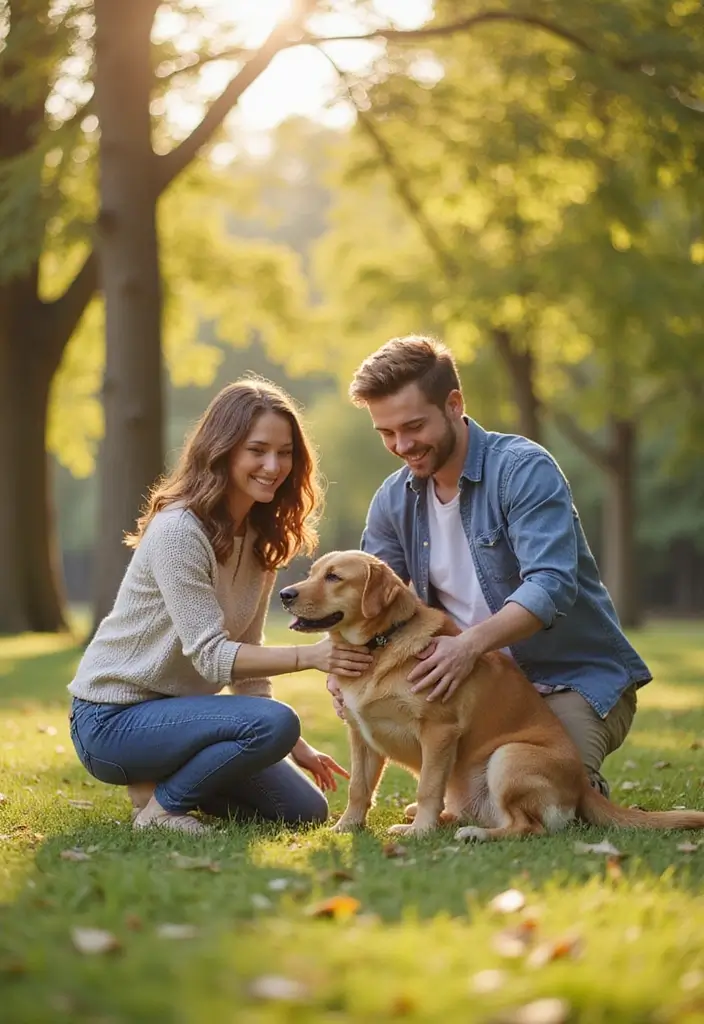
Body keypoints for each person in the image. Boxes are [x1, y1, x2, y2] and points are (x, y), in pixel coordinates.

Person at [327, 336, 651, 796]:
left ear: (454, 404)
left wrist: (468, 648)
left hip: (567, 683)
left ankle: (578, 788)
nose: (402, 445)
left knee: (549, 783)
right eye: (387, 433)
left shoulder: (523, 470)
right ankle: (460, 799)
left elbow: (552, 584)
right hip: (474, 694)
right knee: (473, 797)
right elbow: (372, 603)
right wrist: (343, 667)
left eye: (414, 426)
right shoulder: (392, 500)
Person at [68, 378, 373, 834]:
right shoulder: (178, 532)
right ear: (223, 449)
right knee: (276, 722)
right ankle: (160, 811)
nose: (273, 466)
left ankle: (162, 782)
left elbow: (246, 654)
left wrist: (295, 746)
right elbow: (212, 657)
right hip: (113, 721)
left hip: (185, 722)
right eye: (258, 450)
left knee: (304, 811)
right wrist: (310, 657)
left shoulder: (258, 539)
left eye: (285, 452)